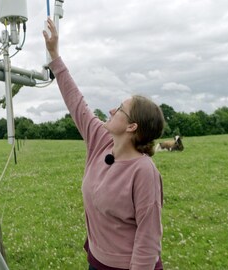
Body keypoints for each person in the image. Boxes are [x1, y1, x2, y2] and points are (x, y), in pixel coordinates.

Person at [43, 18, 164, 270]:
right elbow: (76, 102)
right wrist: (55, 55)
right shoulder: (101, 140)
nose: (111, 109)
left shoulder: (144, 171)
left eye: (120, 109)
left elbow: (149, 237)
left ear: (132, 127)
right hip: (96, 261)